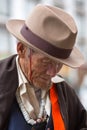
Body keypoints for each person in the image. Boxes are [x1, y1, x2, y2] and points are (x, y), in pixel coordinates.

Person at [0, 4, 87, 130]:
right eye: (45, 62)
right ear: (21, 49)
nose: (53, 73)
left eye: (59, 64)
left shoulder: (65, 92)